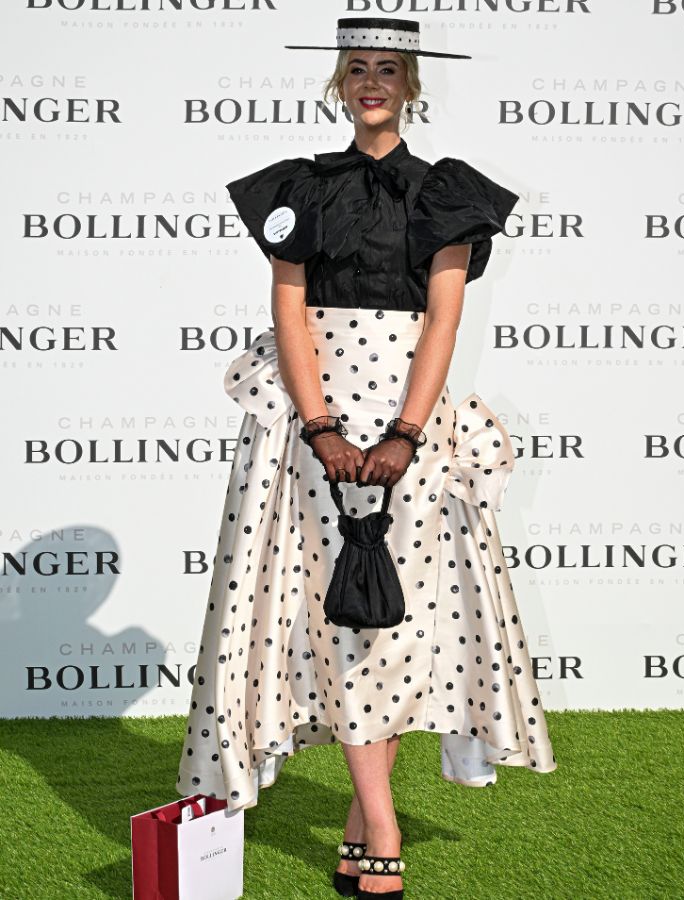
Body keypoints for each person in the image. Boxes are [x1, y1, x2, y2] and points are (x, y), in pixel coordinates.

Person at [176, 17, 557, 900]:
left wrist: (406, 434)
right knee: (334, 616)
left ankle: (365, 822)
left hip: (411, 426)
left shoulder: (446, 193)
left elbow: (443, 322)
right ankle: (382, 826)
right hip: (312, 421)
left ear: (411, 85)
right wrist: (319, 427)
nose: (373, 82)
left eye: (389, 68)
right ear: (339, 83)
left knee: (389, 621)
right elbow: (289, 309)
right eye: (358, 68)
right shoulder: (300, 188)